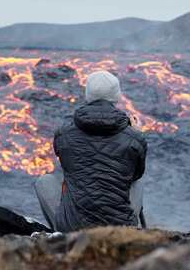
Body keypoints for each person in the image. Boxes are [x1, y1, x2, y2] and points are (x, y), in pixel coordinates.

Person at [35, 70, 148, 232]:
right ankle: (135, 231)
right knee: (137, 183)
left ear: (88, 96)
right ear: (117, 96)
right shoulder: (133, 137)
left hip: (74, 227)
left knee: (44, 181)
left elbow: (69, 169)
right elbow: (135, 175)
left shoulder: (64, 133)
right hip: (119, 230)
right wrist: (137, 134)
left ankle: (60, 234)